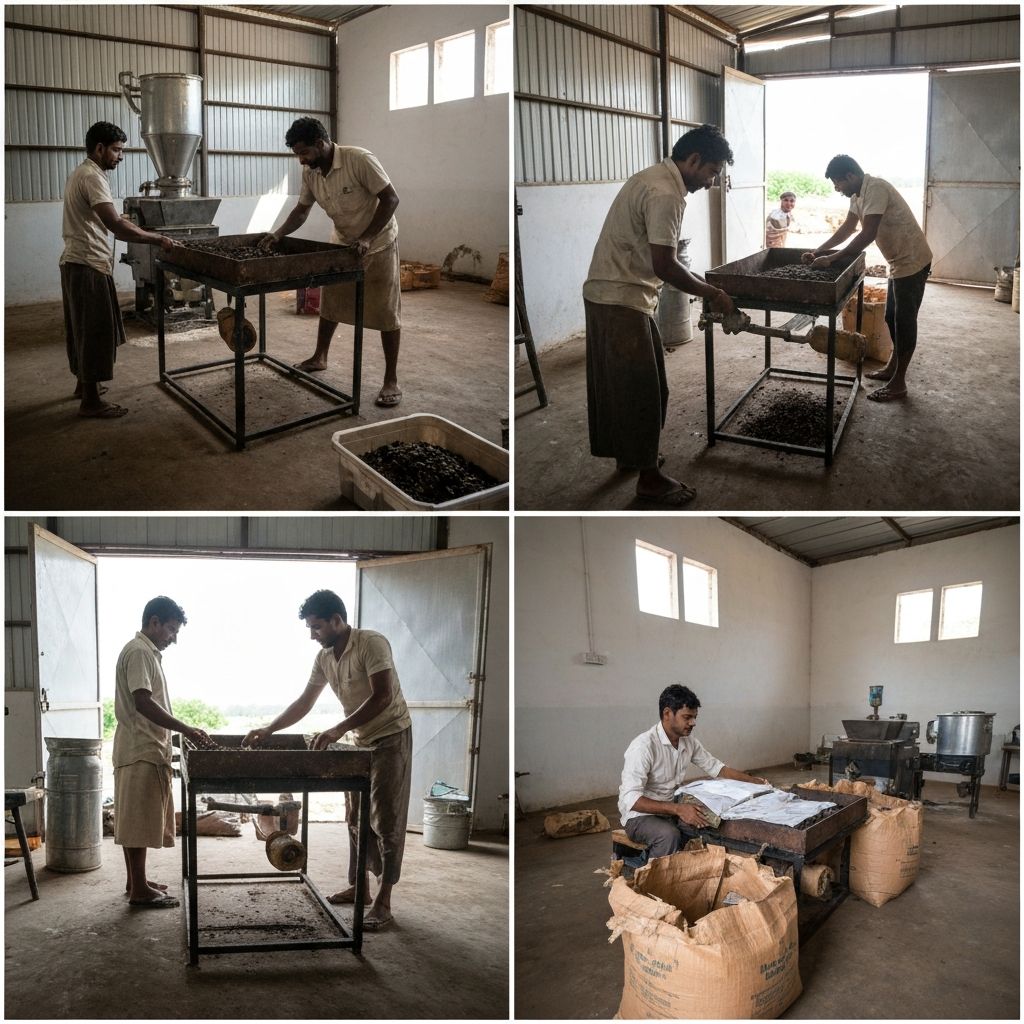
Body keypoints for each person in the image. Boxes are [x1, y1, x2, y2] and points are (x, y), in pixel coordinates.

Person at [582, 123, 737, 507]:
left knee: (623, 387)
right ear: (695, 159)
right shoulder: (667, 193)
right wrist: (713, 293)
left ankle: (632, 457)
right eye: (711, 172)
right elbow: (665, 265)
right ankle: (648, 479)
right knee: (643, 393)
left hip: (611, 293)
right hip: (622, 299)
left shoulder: (650, 176)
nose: (711, 181)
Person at [243, 589, 412, 930]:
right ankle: (360, 888)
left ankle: (384, 902)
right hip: (360, 740)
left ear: (337, 620)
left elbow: (383, 696)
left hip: (391, 738)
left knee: (386, 819)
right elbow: (305, 701)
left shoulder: (371, 643)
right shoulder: (324, 657)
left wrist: (337, 729)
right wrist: (270, 729)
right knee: (355, 815)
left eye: (317, 627)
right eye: (309, 628)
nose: (312, 635)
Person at [258, 117, 403, 408]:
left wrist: (366, 238)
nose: (301, 160)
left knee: (385, 311)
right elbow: (301, 211)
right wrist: (277, 233)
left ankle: (391, 379)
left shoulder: (358, 159)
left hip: (378, 242)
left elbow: (391, 199)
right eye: (297, 154)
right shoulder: (312, 173)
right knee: (331, 302)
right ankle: (320, 356)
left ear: (321, 144)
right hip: (343, 244)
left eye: (304, 153)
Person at [60, 121, 178, 419]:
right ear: (99, 148)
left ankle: (83, 385)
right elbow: (115, 225)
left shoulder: (82, 172)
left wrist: (123, 219)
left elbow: (102, 217)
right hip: (88, 264)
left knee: (82, 329)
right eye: (116, 150)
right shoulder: (92, 177)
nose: (120, 156)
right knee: (96, 330)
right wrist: (156, 238)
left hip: (77, 262)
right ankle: (90, 402)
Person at [803, 155, 932, 401]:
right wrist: (820, 251)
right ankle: (893, 369)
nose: (836, 189)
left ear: (850, 176)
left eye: (837, 183)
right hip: (897, 262)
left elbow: (868, 234)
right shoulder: (856, 195)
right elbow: (848, 228)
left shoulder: (876, 188)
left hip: (913, 261)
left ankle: (899, 383)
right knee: (892, 317)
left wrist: (833, 259)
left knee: (904, 321)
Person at [112, 597, 211, 908]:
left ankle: (135, 881)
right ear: (154, 623)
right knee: (137, 824)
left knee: (136, 822)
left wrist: (177, 734)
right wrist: (185, 728)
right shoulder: (140, 651)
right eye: (171, 629)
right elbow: (142, 701)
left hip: (144, 747)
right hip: (140, 749)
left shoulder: (146, 653)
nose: (173, 637)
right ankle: (139, 891)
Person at [619, 684, 771, 860]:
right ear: (667, 714)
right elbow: (631, 799)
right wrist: (679, 809)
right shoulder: (643, 746)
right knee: (669, 836)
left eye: (694, 717)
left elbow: (717, 768)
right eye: (687, 717)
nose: (693, 723)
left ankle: (696, 870)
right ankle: (651, 881)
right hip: (640, 816)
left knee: (711, 824)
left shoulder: (688, 742)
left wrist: (754, 781)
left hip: (669, 808)